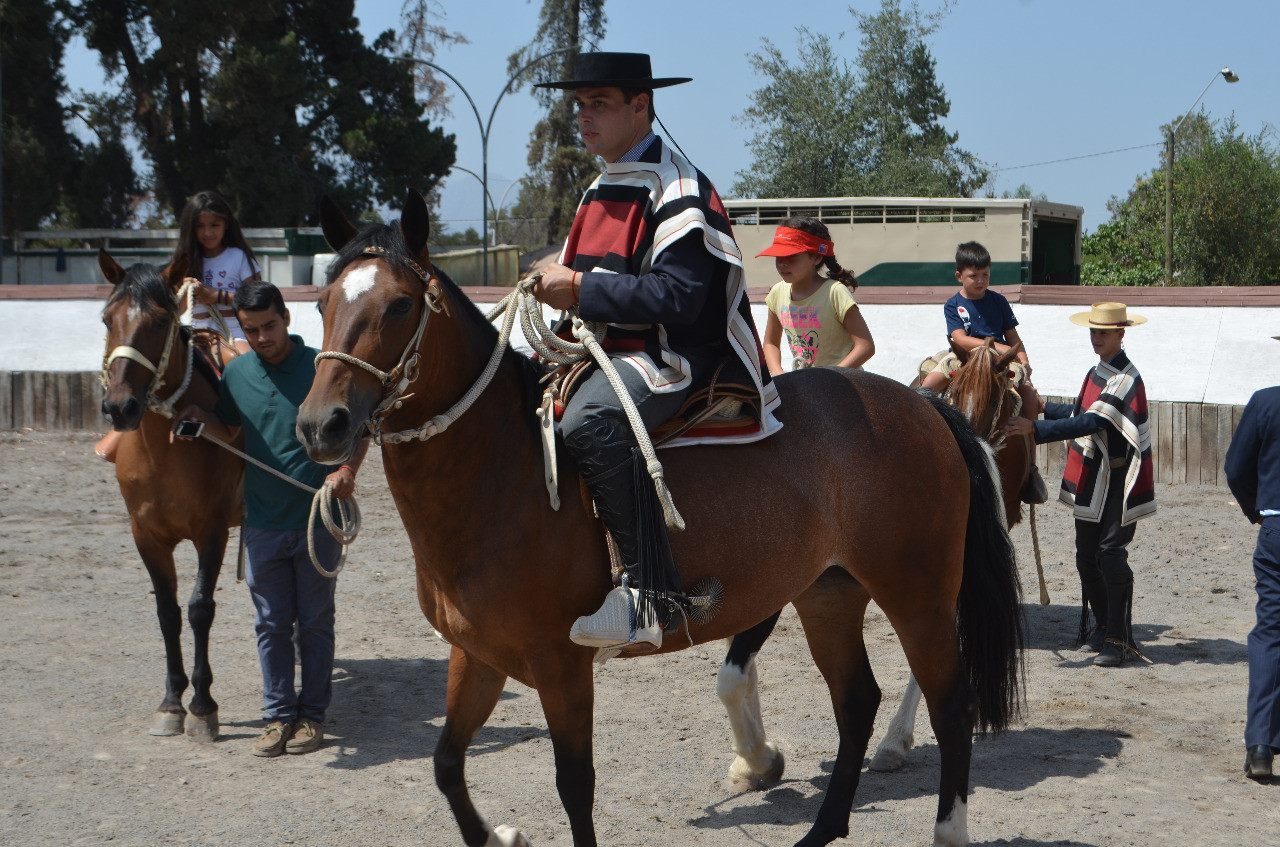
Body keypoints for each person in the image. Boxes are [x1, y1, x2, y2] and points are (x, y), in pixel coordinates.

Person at [529, 52, 781, 651]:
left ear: (641, 106)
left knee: (590, 418)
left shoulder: (679, 187)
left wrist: (581, 287)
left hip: (676, 357)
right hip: (606, 351)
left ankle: (649, 595)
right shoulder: (605, 182)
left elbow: (684, 299)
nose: (585, 118)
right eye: (580, 106)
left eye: (601, 104)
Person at [173, 279, 367, 757]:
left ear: (286, 319)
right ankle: (278, 716)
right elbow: (231, 429)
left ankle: (312, 716)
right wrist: (200, 416)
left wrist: (346, 471)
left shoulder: (323, 370)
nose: (263, 337)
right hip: (261, 522)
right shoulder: (237, 376)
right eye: (252, 329)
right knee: (271, 623)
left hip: (318, 519)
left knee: (316, 621)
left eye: (270, 326)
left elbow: (363, 426)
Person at [1004, 302, 1155, 667]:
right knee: (1086, 555)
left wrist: (1034, 429)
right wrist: (1042, 406)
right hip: (1095, 475)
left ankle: (1120, 639)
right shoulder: (1097, 372)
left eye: (1104, 332)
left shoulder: (1125, 378)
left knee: (1110, 553)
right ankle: (1102, 626)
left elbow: (1089, 424)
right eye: (1093, 331)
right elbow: (1078, 413)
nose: (1097, 337)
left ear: (1121, 333)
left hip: (1118, 477)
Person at [96, 190, 260, 463]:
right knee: (154, 370)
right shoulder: (184, 263)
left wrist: (215, 296)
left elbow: (256, 299)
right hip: (193, 333)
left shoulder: (239, 257)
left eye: (214, 225)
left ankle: (258, 438)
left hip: (234, 330)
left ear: (226, 225)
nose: (208, 232)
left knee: (244, 368)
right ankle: (124, 429)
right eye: (200, 226)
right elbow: (178, 310)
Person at [920, 240, 1046, 502]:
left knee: (1031, 399)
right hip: (965, 356)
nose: (980, 280)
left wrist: (1023, 360)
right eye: (973, 275)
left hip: (1000, 359)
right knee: (927, 386)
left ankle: (1031, 468)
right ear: (959, 276)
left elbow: (1014, 337)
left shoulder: (998, 301)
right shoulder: (953, 304)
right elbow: (959, 338)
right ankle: (923, 448)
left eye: (985, 275)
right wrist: (994, 345)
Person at [1224, 374, 1280, 780]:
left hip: (1276, 524)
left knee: (1269, 631)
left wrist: (1256, 510)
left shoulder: (1265, 401)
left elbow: (1236, 467)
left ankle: (1260, 743)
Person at [759, 216, 875, 375]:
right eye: (778, 255)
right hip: (803, 384)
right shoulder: (776, 294)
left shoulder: (835, 292)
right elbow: (770, 343)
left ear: (816, 257)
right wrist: (779, 374)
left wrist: (828, 377)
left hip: (843, 383)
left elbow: (866, 346)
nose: (782, 263)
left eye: (791, 255)